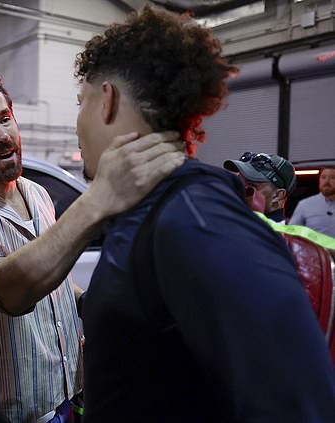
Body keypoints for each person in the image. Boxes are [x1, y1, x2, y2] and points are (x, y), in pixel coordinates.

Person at [73, 7, 335, 422]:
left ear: (107, 100)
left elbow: (298, 402)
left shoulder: (192, 216)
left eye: (80, 101)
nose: (77, 119)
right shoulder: (147, 207)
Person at [0, 65, 184, 422]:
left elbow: (53, 276)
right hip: (8, 414)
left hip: (67, 399)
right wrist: (98, 198)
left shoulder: (37, 193)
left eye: (6, 119)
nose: (3, 135)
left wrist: (90, 304)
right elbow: (6, 290)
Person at [223, 152, 297, 222]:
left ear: (278, 195)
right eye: (238, 182)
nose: (239, 190)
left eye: (251, 186)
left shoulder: (276, 233)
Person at [290, 167, 335, 237]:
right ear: (319, 181)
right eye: (323, 177)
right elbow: (292, 233)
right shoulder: (304, 205)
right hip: (313, 247)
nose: (327, 181)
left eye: (332, 177)